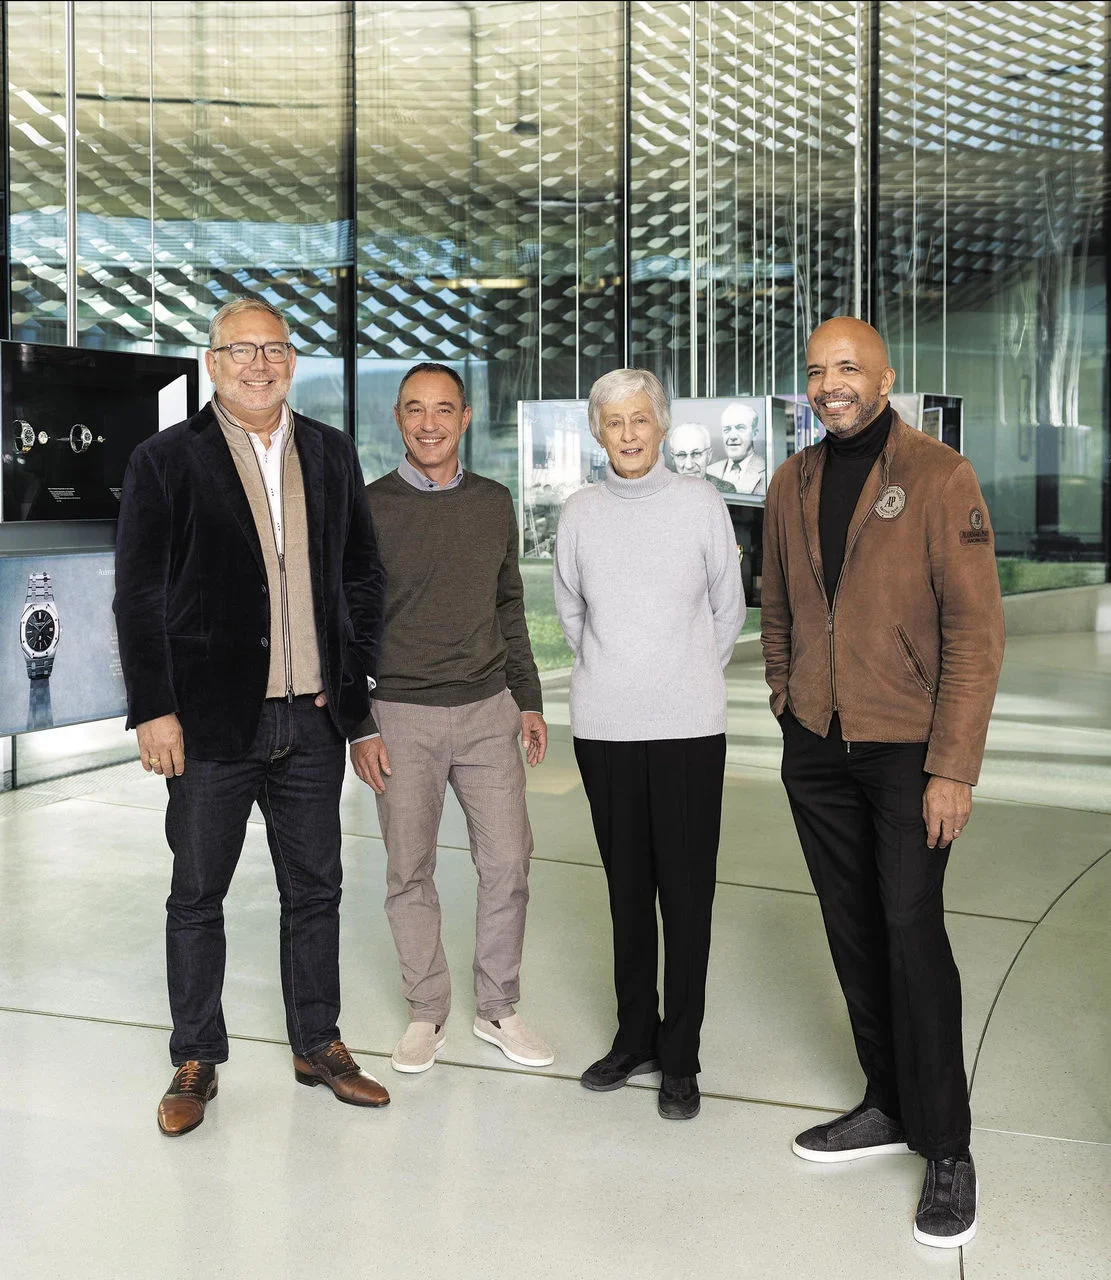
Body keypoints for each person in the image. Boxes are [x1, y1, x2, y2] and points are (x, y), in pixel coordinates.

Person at [114, 296, 390, 1136]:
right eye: (241, 350)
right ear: (213, 362)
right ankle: (196, 1057)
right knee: (198, 894)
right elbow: (139, 596)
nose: (259, 365)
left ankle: (318, 1043)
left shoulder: (331, 452)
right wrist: (154, 710)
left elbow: (362, 574)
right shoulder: (165, 460)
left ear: (292, 361)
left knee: (316, 889)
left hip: (311, 718)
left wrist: (350, 677)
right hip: (209, 725)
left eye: (273, 349)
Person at [760, 317, 1004, 1248]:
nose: (831, 384)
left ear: (885, 377)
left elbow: (975, 633)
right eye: (816, 370)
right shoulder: (791, 480)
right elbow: (775, 605)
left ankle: (947, 1148)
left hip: (907, 748)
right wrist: (786, 697)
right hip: (817, 742)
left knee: (909, 930)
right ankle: (887, 1103)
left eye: (848, 368)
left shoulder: (939, 477)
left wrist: (952, 767)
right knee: (852, 926)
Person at [553, 368, 744, 1120]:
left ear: (660, 426)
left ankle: (680, 1054)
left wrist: (678, 675)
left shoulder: (701, 504)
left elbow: (727, 612)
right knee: (626, 889)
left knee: (687, 896)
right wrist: (620, 674)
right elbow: (572, 613)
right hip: (604, 728)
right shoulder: (579, 512)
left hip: (688, 729)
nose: (628, 434)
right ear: (596, 432)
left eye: (640, 420)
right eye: (614, 422)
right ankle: (634, 1035)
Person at [352, 362, 553, 1075]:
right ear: (398, 419)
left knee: (508, 863)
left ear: (465, 418)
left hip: (486, 709)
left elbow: (508, 605)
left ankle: (498, 1007)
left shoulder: (493, 502)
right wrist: (359, 725)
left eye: (443, 409)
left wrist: (528, 699)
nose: (429, 423)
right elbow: (346, 621)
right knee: (409, 870)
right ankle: (426, 1012)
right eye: (415, 409)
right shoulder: (367, 507)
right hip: (400, 714)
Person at [707, 401, 766, 495]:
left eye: (740, 428)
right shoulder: (709, 471)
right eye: (727, 429)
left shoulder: (767, 473)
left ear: (754, 434)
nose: (733, 436)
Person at [667, 420, 734, 493]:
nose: (689, 465)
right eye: (681, 455)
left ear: (709, 456)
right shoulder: (663, 491)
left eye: (696, 454)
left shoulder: (726, 490)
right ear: (673, 458)